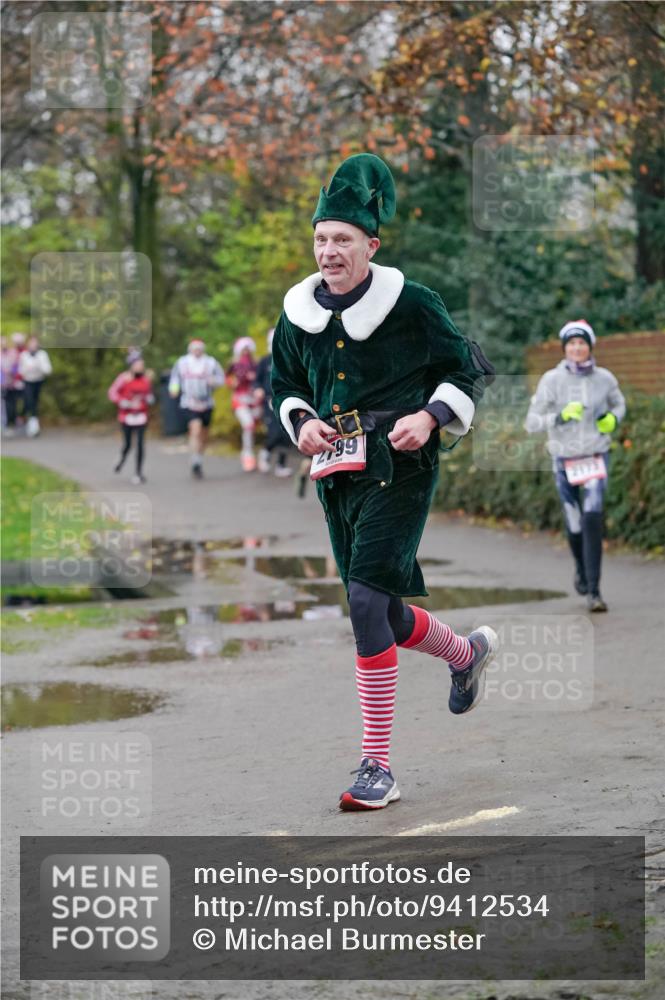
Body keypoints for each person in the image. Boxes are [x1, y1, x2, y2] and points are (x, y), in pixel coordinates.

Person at [271, 153, 498, 811]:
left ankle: (376, 765)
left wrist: (431, 417)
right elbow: (283, 382)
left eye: (342, 238)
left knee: (366, 605)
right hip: (335, 472)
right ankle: (462, 653)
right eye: (320, 238)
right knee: (383, 611)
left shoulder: (411, 303)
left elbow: (466, 369)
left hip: (401, 462)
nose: (328, 250)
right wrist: (302, 418)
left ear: (371, 244)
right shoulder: (297, 314)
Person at [525, 319, 626, 612]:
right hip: (564, 458)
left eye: (582, 343)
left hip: (595, 454)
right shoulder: (551, 380)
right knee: (574, 522)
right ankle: (581, 569)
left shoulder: (605, 378)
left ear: (589, 347)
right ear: (565, 348)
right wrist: (559, 416)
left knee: (593, 515)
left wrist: (613, 419)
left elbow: (620, 404)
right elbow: (531, 422)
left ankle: (594, 591)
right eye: (571, 343)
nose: (577, 348)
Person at [169, 338, 225, 479]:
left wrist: (214, 381)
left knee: (204, 435)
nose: (197, 350)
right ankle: (194, 459)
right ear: (190, 349)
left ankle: (199, 458)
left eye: (199, 348)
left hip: (206, 403)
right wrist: (174, 389)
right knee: (195, 429)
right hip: (189, 402)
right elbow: (175, 378)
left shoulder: (211, 362)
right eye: (195, 348)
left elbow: (221, 379)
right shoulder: (182, 362)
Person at [108, 350, 155, 484]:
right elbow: (112, 392)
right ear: (131, 365)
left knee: (140, 444)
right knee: (128, 444)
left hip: (141, 415)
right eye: (138, 364)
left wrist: (150, 398)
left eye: (142, 364)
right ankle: (121, 459)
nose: (140, 367)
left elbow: (149, 394)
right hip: (126, 416)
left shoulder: (146, 380)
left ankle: (138, 473)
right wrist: (122, 401)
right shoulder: (123, 378)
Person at [255, 328, 293, 477]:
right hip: (270, 402)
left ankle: (281, 465)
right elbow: (257, 381)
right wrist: (257, 389)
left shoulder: (289, 360)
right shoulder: (265, 361)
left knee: (286, 433)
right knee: (274, 432)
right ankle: (265, 453)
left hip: (286, 401)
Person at [226, 336, 262, 472]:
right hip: (240, 399)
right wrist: (232, 383)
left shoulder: (256, 363)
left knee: (253, 426)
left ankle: (254, 453)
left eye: (248, 349)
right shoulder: (234, 364)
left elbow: (261, 377)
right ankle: (247, 455)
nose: (246, 352)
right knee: (248, 425)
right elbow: (228, 378)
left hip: (254, 399)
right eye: (243, 349)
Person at [18, 335, 52, 437]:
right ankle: (33, 426)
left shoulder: (42, 354)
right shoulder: (24, 355)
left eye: (35, 342)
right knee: (29, 401)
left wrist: (39, 365)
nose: (33, 344)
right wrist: (28, 368)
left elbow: (48, 370)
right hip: (27, 381)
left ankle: (32, 423)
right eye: (31, 342)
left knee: (34, 402)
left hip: (38, 382)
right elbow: (21, 371)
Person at [2, 333, 26, 435]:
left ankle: (14, 423)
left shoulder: (13, 353)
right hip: (3, 385)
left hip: (13, 383)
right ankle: (7, 425)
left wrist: (11, 371)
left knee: (14, 404)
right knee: (6, 406)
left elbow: (17, 366)